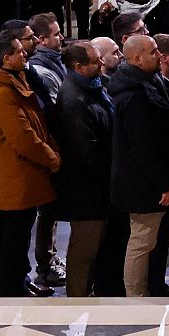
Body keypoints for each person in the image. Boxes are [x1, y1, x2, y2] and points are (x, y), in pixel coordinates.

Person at [0, 33, 60, 298]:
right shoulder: (1, 93)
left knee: (8, 235)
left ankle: (12, 285)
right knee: (11, 239)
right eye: (18, 51)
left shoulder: (11, 83)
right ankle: (9, 290)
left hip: (15, 176)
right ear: (5, 58)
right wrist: (52, 158)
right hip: (15, 177)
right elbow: (24, 139)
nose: (25, 54)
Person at [107, 35, 169, 297]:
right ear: (137, 59)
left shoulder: (146, 83)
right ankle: (136, 296)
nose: (159, 56)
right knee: (141, 242)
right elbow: (143, 148)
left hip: (148, 180)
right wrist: (164, 184)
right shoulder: (133, 95)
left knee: (148, 241)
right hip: (143, 185)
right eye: (153, 52)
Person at [51, 41, 116, 297]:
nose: (101, 64)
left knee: (94, 247)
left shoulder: (92, 89)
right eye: (95, 61)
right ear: (78, 67)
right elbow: (86, 151)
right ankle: (77, 298)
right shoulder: (74, 99)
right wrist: (111, 174)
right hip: (85, 190)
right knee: (84, 249)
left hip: (96, 187)